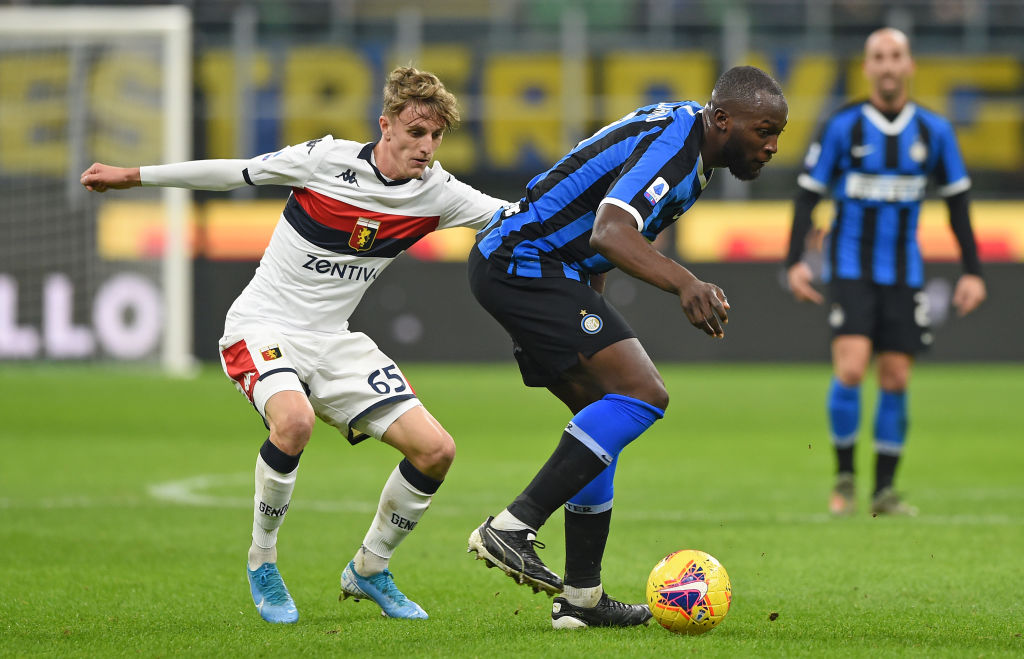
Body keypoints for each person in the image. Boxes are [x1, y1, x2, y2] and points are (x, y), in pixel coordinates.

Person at [81, 66, 509, 623]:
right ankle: (263, 560)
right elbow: (234, 172)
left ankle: (370, 568)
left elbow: (519, 218)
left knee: (435, 451)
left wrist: (600, 220)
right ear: (385, 126)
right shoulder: (325, 160)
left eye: (435, 137)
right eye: (414, 133)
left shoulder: (438, 193)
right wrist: (133, 176)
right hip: (262, 326)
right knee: (294, 422)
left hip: (333, 342)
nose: (425, 147)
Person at [465, 66, 788, 628]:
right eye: (763, 131)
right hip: (525, 262)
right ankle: (511, 527)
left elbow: (605, 232)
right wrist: (686, 282)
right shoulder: (678, 147)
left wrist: (592, 299)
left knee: (601, 415)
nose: (772, 146)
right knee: (643, 392)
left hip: (536, 268)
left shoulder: (693, 147)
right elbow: (611, 231)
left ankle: (581, 600)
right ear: (722, 119)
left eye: (776, 133)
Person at [784, 28, 986, 517]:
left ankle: (885, 493)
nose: (889, 65)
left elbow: (958, 205)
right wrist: (794, 262)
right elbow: (808, 194)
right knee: (851, 367)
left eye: (896, 56)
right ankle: (845, 481)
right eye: (879, 57)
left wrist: (972, 271)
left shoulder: (933, 131)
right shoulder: (844, 126)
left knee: (895, 377)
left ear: (910, 65)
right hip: (851, 268)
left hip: (904, 273)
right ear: (868, 68)